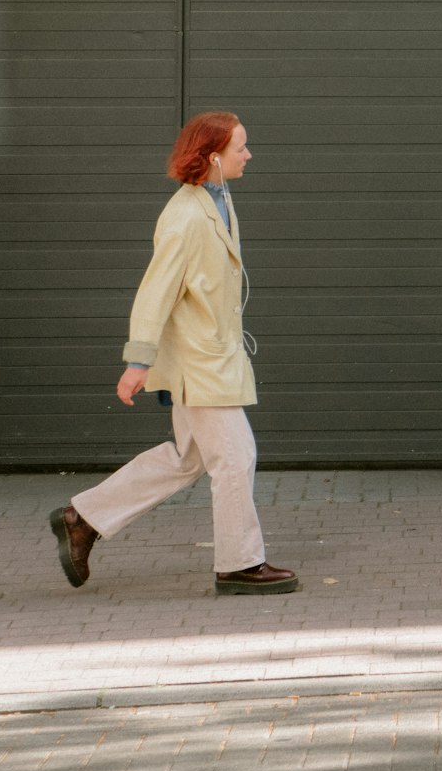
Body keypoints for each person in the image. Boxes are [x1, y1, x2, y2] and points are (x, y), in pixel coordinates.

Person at [49, 111, 298, 595]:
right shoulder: (185, 217)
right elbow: (154, 293)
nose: (249, 155)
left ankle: (82, 518)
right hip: (201, 365)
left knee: (187, 458)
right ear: (213, 159)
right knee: (236, 457)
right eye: (240, 148)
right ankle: (239, 564)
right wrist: (138, 361)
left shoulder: (217, 199)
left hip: (213, 358)